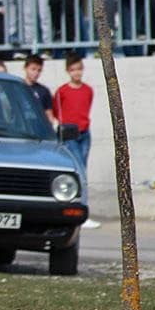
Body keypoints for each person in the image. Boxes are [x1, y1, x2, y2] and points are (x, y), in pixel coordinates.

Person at [53, 53, 100, 228]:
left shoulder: (88, 90)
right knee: (78, 170)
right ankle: (78, 210)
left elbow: (86, 107)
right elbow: (58, 111)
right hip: (70, 134)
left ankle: (82, 208)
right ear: (68, 71)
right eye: (73, 70)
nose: (77, 73)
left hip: (84, 133)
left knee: (83, 170)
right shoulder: (62, 91)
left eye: (79, 69)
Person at [21, 54, 56, 126]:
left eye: (39, 70)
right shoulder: (18, 88)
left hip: (38, 129)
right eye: (33, 69)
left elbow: (49, 114)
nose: (36, 73)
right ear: (25, 68)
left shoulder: (44, 91)